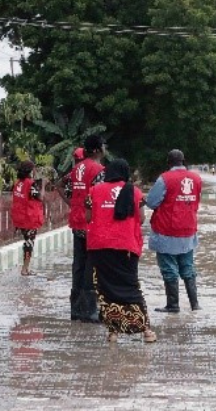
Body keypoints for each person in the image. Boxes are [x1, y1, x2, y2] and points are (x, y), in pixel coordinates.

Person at [86, 158, 156, 343]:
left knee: (105, 290)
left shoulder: (94, 191)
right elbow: (141, 219)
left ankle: (112, 332)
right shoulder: (136, 192)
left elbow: (87, 216)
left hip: (100, 247)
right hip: (126, 247)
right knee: (131, 287)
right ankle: (147, 332)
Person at [146, 149, 204, 312]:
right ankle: (195, 304)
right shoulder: (196, 178)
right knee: (188, 266)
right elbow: (196, 201)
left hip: (167, 230)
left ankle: (173, 305)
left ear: (168, 162)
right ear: (183, 161)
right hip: (188, 228)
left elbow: (151, 202)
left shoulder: (164, 178)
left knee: (169, 268)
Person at [64, 136, 106, 323]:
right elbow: (99, 198)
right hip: (91, 223)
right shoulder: (99, 170)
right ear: (97, 150)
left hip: (77, 222)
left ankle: (76, 310)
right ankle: (89, 311)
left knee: (78, 264)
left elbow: (65, 188)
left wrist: (73, 205)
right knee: (92, 265)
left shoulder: (76, 169)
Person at [8, 160, 45, 276]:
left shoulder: (18, 183)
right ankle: (25, 269)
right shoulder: (31, 183)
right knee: (29, 243)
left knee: (27, 242)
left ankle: (26, 267)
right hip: (29, 218)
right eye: (34, 169)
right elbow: (40, 197)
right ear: (30, 171)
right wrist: (43, 185)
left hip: (20, 217)